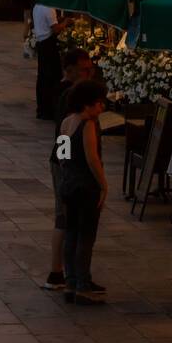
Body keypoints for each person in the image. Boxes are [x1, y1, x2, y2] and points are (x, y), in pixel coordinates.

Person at [42, 50, 98, 291]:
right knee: (63, 218)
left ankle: (68, 273)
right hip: (66, 167)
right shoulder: (69, 96)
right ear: (70, 70)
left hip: (68, 167)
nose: (88, 74)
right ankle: (57, 273)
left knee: (67, 219)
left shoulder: (76, 93)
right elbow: (63, 136)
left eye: (90, 69)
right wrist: (67, 167)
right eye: (84, 70)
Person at [58, 80, 109, 305]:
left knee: (70, 234)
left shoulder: (67, 122)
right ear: (87, 105)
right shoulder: (88, 125)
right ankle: (83, 286)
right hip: (86, 187)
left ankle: (70, 282)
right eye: (99, 103)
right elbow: (92, 158)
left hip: (68, 185)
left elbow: (62, 156)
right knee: (86, 236)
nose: (102, 108)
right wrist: (103, 184)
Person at [33, 3, 68, 120]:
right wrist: (66, 23)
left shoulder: (37, 6)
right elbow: (56, 29)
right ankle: (50, 109)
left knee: (43, 77)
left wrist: (58, 20)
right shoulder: (49, 8)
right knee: (52, 76)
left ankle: (42, 108)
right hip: (48, 44)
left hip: (41, 43)